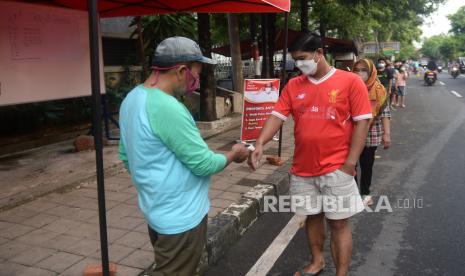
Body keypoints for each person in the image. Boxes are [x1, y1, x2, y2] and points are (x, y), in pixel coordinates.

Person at [118, 36, 250, 276]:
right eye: (195, 74)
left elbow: (126, 156)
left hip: (155, 210)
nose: (196, 81)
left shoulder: (132, 99)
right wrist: (233, 154)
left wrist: (153, 182)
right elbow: (203, 164)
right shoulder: (167, 107)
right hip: (181, 217)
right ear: (181, 70)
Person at [248, 32, 372, 276]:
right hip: (303, 168)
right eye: (296, 59)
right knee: (311, 216)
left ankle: (342, 273)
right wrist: (260, 142)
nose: (299, 64)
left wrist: (349, 163)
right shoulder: (294, 85)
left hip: (337, 167)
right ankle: (317, 261)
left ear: (318, 54)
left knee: (338, 223)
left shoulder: (350, 82)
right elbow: (277, 115)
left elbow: (362, 122)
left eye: (303, 58)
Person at [352, 59, 391, 206]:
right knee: (351, 165)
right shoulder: (349, 87)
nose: (360, 73)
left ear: (371, 72)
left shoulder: (379, 90)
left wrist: (387, 134)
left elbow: (385, 114)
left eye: (363, 70)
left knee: (367, 166)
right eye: (357, 70)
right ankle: (354, 194)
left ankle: (365, 193)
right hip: (352, 133)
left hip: (371, 134)